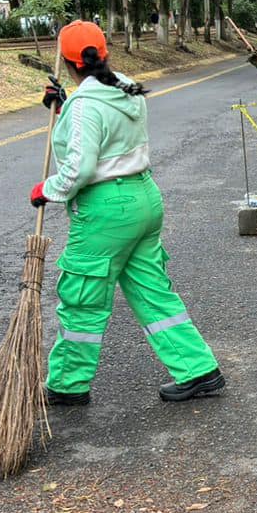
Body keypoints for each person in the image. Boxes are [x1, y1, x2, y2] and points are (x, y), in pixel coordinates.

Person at [35, 20, 225, 405]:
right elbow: (105, 122)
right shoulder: (126, 87)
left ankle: (67, 385)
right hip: (143, 198)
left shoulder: (87, 103)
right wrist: (65, 103)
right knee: (152, 291)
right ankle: (198, 369)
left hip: (108, 209)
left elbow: (82, 166)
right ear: (103, 52)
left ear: (70, 63)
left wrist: (48, 190)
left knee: (83, 298)